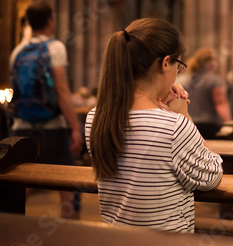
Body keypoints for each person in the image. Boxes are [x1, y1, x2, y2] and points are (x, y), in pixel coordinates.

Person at [85, 18, 223, 233]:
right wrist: (183, 116)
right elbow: (212, 176)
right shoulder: (174, 126)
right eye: (179, 66)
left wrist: (162, 113)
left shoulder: (95, 118)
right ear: (166, 62)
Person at [10, 0, 83, 219]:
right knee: (67, 185)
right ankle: (71, 234)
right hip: (53, 128)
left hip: (22, 127)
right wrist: (75, 128)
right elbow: (61, 90)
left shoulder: (17, 51)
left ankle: (6, 228)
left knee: (23, 181)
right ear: (50, 22)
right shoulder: (55, 47)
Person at [182, 47, 231, 139]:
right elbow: (221, 104)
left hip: (191, 125)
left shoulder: (188, 80)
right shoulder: (214, 80)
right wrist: (229, 124)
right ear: (210, 62)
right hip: (209, 126)